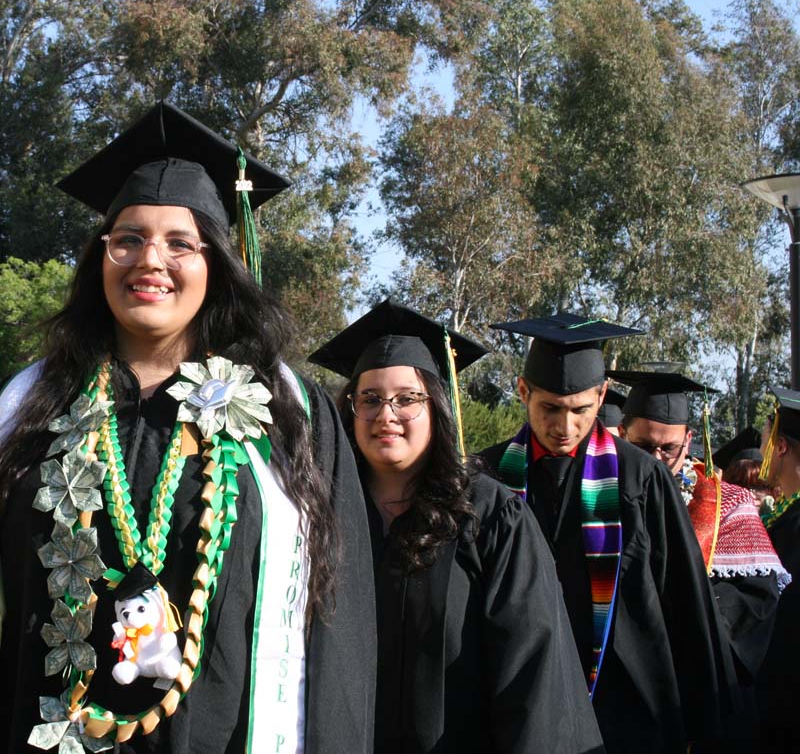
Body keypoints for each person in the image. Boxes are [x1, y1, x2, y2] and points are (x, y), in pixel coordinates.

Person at [0, 102, 376, 754]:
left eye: (181, 242)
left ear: (218, 266)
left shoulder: (288, 411)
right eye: (127, 240)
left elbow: (337, 610)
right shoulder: (26, 406)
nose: (151, 260)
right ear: (101, 259)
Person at [308, 300, 602, 754]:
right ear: (349, 410)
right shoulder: (317, 514)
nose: (386, 414)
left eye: (407, 398)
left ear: (437, 407)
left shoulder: (489, 518)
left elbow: (532, 675)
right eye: (369, 399)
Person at [478, 313, 735, 752]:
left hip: (625, 713)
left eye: (580, 409)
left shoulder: (640, 480)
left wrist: (707, 722)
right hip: (513, 705)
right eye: (550, 409)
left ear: (601, 396)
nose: (565, 427)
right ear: (524, 391)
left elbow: (685, 602)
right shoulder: (488, 478)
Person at [610, 370, 786, 750]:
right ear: (622, 436)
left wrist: (694, 614)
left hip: (696, 682)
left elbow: (757, 601)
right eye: (643, 447)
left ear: (689, 440)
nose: (656, 460)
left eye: (668, 449)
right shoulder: (599, 498)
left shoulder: (728, 504)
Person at [755, 388, 800, 750]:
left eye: (765, 438)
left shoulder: (794, 528)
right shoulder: (786, 518)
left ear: (780, 446)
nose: (761, 449)